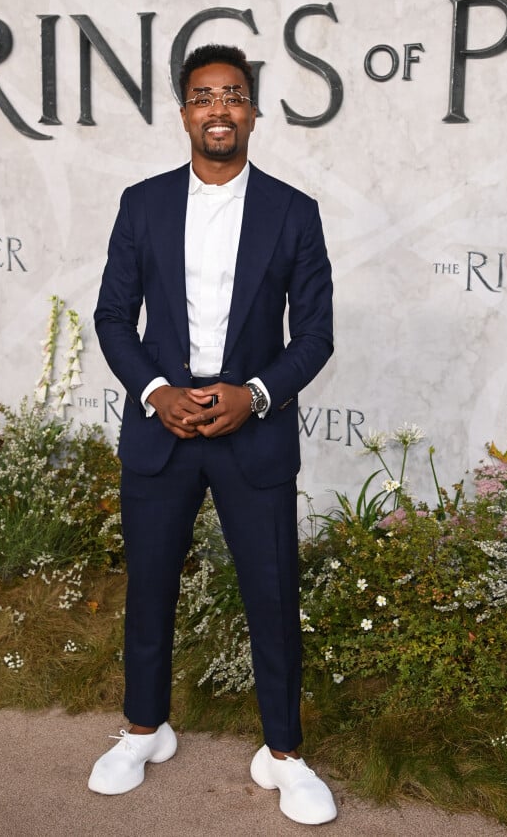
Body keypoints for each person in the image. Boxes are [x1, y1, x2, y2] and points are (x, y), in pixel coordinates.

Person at [90, 44, 336, 826]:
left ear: (254, 112)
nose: (219, 108)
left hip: (251, 433)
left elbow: (317, 334)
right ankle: (143, 730)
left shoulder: (293, 210)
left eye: (233, 94)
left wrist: (254, 394)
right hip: (163, 430)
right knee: (150, 588)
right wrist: (158, 392)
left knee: (271, 593)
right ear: (185, 112)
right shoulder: (142, 203)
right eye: (204, 96)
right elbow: (112, 317)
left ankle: (284, 755)